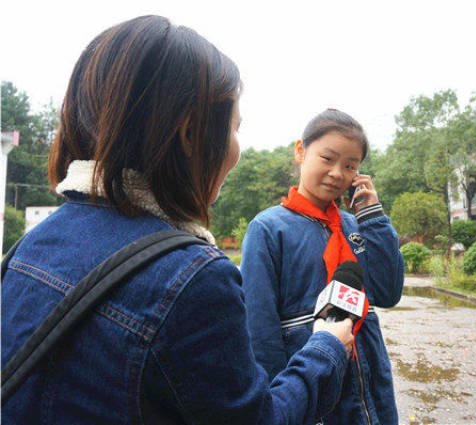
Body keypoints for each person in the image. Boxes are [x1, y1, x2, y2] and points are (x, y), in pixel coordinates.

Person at [1, 16, 355, 425]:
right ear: (190, 134)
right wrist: (326, 347)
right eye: (235, 127)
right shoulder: (194, 279)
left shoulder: (33, 243)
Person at [241, 109, 405, 425]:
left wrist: (373, 216)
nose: (337, 173)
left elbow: (388, 292)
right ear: (301, 151)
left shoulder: (355, 226)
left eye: (350, 166)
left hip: (370, 389)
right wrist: (281, 405)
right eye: (327, 159)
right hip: (311, 387)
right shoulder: (269, 228)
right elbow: (259, 328)